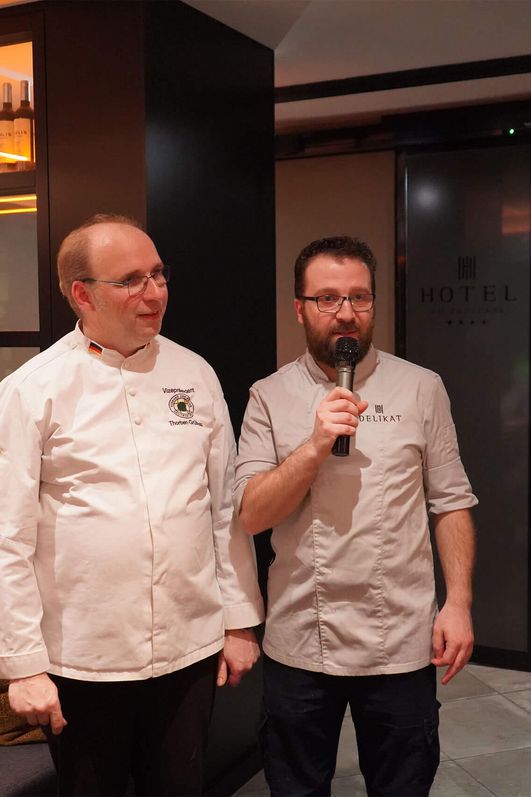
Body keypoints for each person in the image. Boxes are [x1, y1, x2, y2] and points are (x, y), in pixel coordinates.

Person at [0, 214, 264, 796]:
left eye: (159, 274)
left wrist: (240, 620)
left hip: (188, 646)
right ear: (82, 293)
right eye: (132, 280)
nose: (155, 292)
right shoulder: (31, 390)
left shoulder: (194, 373)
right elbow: (7, 539)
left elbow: (224, 507)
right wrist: (22, 664)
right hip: (83, 658)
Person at [234, 236, 477, 797]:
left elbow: (451, 501)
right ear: (299, 307)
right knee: (296, 787)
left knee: (403, 785)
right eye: (326, 298)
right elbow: (250, 515)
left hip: (401, 639)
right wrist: (316, 445)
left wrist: (458, 603)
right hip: (300, 638)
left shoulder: (422, 387)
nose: (345, 312)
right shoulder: (268, 396)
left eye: (359, 298)